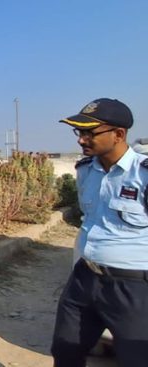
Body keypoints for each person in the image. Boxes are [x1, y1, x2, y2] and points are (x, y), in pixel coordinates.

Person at [52, 98, 148, 367]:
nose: (81, 140)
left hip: (132, 288)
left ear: (118, 134)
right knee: (65, 351)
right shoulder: (85, 171)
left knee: (136, 359)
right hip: (84, 278)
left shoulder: (143, 175)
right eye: (79, 132)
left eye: (89, 133)